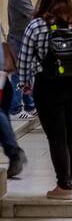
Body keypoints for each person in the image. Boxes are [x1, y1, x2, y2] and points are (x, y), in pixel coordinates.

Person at [17, 0, 72, 198]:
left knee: (56, 136)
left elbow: (25, 58)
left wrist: (24, 84)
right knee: (68, 134)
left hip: (48, 86)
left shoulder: (35, 26)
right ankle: (67, 179)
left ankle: (64, 185)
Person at [7, 0, 36, 118]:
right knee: (19, 73)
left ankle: (30, 105)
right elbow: (34, 14)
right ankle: (15, 109)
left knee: (27, 72)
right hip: (17, 40)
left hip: (22, 39)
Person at [0, 19, 26, 178]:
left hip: (1, 77)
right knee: (3, 115)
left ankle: (14, 152)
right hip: (4, 78)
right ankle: (13, 154)